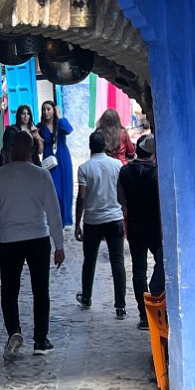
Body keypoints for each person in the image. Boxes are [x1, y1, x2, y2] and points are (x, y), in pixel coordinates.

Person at [0, 131, 65, 361]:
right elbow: (54, 212)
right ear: (32, 149)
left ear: (10, 149)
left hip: (10, 240)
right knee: (41, 291)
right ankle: (40, 340)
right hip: (38, 238)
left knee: (9, 291)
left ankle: (14, 331)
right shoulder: (41, 175)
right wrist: (59, 245)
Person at [75, 131, 127, 318]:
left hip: (93, 221)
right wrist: (123, 211)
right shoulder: (117, 165)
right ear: (104, 145)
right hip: (114, 218)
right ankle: (120, 306)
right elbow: (122, 191)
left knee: (89, 261)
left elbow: (82, 197)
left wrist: (77, 223)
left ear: (90, 146)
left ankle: (86, 297)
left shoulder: (84, 168)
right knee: (118, 262)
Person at [117, 134, 165, 330]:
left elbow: (121, 200)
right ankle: (158, 303)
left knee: (139, 270)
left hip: (135, 226)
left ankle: (144, 315)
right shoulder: (157, 173)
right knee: (162, 263)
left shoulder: (125, 172)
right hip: (156, 227)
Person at [38, 101, 74, 226]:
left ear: (54, 110)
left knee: (65, 188)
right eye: (44, 109)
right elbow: (38, 148)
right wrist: (38, 138)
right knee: (53, 190)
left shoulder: (60, 124)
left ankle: (64, 219)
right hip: (49, 159)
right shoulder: (40, 127)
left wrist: (59, 116)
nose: (46, 112)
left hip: (63, 158)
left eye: (48, 109)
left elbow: (69, 129)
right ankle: (54, 219)